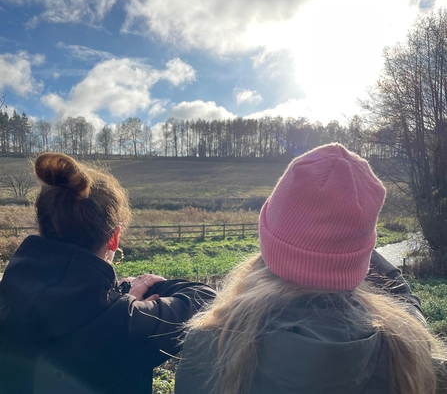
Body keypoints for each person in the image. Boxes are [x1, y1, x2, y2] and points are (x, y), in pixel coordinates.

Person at [175, 143, 443, 394]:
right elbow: (409, 312)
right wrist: (363, 253)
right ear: (362, 256)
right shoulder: (404, 352)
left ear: (268, 240)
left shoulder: (211, 344)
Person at [0, 153, 216, 394]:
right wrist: (128, 292)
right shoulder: (125, 322)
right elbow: (205, 297)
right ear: (114, 238)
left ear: (42, 227)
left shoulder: (5, 297)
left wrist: (119, 297)